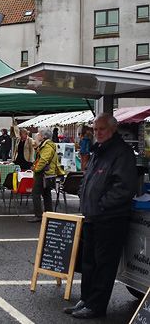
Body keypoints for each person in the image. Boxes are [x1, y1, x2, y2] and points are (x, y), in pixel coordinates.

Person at [64, 114, 137, 319]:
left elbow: (124, 188)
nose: (97, 133)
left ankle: (96, 305)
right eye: (95, 129)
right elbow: (90, 178)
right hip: (92, 217)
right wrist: (84, 196)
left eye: (101, 129)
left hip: (110, 218)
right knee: (89, 262)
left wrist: (101, 205)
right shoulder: (99, 151)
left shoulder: (121, 153)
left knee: (104, 264)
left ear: (112, 130)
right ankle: (86, 299)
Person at [28, 128, 65, 223]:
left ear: (44, 136)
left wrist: (36, 169)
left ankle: (38, 215)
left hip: (43, 173)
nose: (37, 135)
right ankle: (49, 214)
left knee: (36, 193)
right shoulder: (47, 145)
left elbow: (43, 160)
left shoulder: (47, 146)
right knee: (46, 194)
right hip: (47, 173)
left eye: (39, 134)